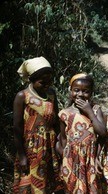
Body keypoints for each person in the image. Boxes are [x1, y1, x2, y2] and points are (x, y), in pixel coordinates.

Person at [13, 56, 63, 193]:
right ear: (31, 80)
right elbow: (17, 129)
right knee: (30, 184)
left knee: (48, 183)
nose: (47, 85)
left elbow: (56, 122)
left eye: (49, 81)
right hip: (31, 149)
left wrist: (60, 143)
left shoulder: (52, 94)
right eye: (42, 82)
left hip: (50, 147)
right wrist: (22, 156)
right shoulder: (22, 97)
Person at [58, 73, 107, 193]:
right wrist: (64, 161)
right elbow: (63, 140)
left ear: (91, 93)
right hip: (71, 159)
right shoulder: (64, 113)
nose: (80, 94)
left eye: (85, 91)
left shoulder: (95, 110)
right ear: (70, 90)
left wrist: (89, 112)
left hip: (90, 159)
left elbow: (102, 133)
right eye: (76, 90)